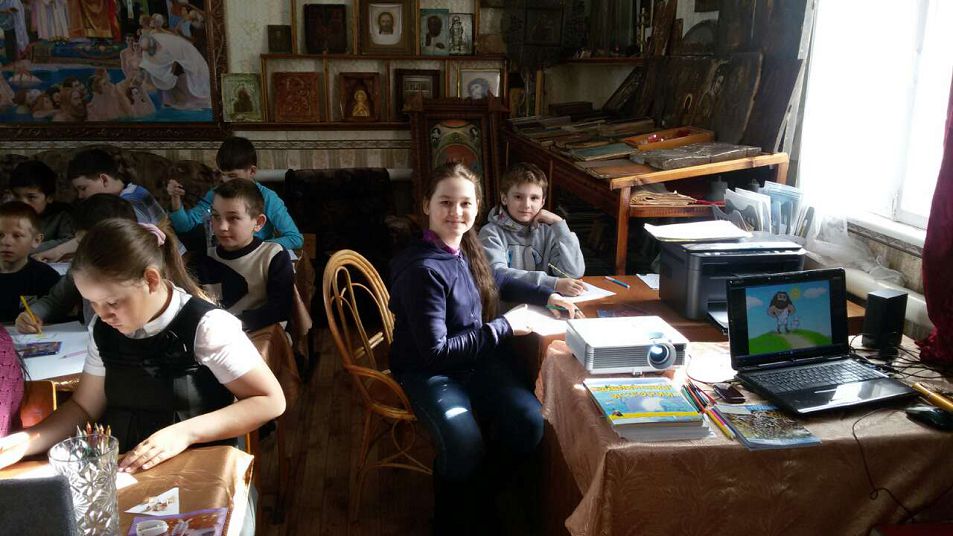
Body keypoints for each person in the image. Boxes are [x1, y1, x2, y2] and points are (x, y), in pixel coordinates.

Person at [0, 218, 286, 488]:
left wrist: (185, 432)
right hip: (126, 470)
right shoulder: (103, 328)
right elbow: (83, 407)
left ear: (151, 280)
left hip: (199, 471)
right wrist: (27, 441)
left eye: (112, 302)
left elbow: (269, 401)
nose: (103, 314)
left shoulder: (206, 325)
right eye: (92, 303)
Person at [388, 162, 581, 533]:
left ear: (477, 207)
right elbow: (436, 353)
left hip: (474, 360)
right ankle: (450, 520)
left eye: (465, 203)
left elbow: (494, 280)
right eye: (445, 202)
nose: (456, 212)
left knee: (528, 422)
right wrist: (504, 326)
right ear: (427, 204)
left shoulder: (465, 246)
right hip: (430, 371)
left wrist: (547, 294)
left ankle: (481, 498)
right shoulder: (422, 268)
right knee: (464, 443)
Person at [15, 195, 137, 333]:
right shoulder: (82, 265)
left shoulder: (141, 268)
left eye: (99, 243)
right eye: (81, 243)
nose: (89, 250)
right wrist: (31, 315)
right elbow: (56, 301)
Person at [166, 136, 303, 251]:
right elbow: (184, 226)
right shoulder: (215, 195)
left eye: (232, 176)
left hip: (256, 258)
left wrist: (256, 247)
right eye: (223, 175)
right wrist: (175, 198)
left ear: (252, 171)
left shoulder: (268, 197)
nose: (226, 181)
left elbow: (295, 238)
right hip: (222, 258)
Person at [195, 179, 293, 332]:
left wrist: (234, 324)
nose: (222, 227)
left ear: (258, 222)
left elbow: (280, 308)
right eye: (216, 216)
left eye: (233, 218)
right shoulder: (203, 259)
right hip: (214, 336)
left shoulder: (273, 255)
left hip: (262, 336)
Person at [34, 148, 167, 262]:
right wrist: (57, 252)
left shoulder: (131, 202)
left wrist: (58, 252)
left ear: (103, 179)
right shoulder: (133, 191)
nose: (80, 196)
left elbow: (107, 239)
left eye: (83, 188)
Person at [479, 162, 586, 296]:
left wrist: (560, 225)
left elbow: (572, 273)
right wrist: (553, 284)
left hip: (545, 305)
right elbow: (498, 275)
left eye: (534, 198)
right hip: (506, 306)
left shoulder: (548, 232)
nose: (526, 205)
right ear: (504, 198)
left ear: (542, 202)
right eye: (518, 197)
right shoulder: (490, 233)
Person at [0, 202, 61, 322]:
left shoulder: (46, 276)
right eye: (0, 235)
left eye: (17, 235)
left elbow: (56, 315)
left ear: (36, 240)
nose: (6, 242)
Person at [9, 160, 74, 253]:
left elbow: (69, 241)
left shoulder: (61, 216)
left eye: (31, 197)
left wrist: (28, 248)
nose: (22, 203)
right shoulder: (7, 215)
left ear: (49, 197)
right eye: (17, 196)